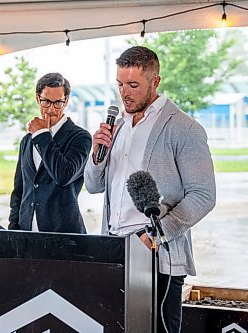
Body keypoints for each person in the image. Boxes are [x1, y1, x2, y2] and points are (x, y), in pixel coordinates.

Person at [84, 46, 216, 333]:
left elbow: (204, 195)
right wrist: (97, 153)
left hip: (157, 253)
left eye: (133, 85)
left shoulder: (183, 128)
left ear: (155, 82)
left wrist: (155, 234)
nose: (124, 93)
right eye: (120, 85)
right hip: (113, 249)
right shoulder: (116, 127)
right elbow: (93, 186)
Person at [8, 72, 92, 233]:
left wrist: (42, 135)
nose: (52, 110)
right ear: (37, 98)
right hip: (26, 235)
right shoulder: (27, 140)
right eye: (46, 102)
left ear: (66, 101)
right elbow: (19, 189)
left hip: (64, 236)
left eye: (58, 103)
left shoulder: (80, 137)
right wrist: (13, 230)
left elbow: (63, 175)